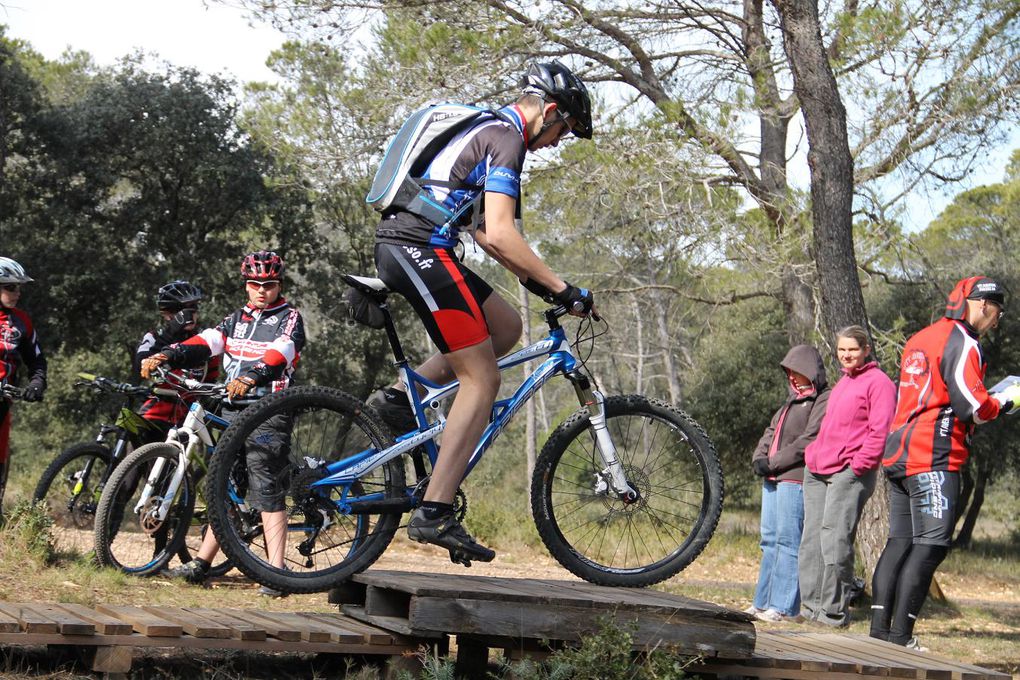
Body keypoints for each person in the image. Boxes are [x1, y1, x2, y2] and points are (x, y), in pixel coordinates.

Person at [369, 61, 595, 564]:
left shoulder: (488, 129)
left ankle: (401, 400)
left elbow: (488, 238)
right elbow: (501, 231)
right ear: (550, 112)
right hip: (417, 247)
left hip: (420, 245)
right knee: (483, 381)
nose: (559, 142)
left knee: (506, 327)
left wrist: (540, 285)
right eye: (565, 130)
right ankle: (434, 511)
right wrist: (564, 289)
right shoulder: (507, 139)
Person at [141, 251, 305, 596]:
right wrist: (167, 354)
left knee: (266, 486)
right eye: (255, 284)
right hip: (232, 408)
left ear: (279, 285)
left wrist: (252, 375)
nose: (262, 290)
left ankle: (277, 572)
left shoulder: (289, 317)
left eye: (269, 284)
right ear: (246, 285)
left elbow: (282, 353)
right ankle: (202, 563)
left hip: (268, 411)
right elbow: (207, 343)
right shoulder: (236, 319)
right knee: (224, 485)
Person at [870, 276, 1020, 648]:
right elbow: (972, 406)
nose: (996, 323)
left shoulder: (920, 337)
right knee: (932, 545)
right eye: (997, 314)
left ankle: (879, 635)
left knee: (900, 542)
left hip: (899, 451)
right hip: (933, 454)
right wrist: (1006, 401)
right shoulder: (964, 341)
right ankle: (901, 636)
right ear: (983, 304)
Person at [799, 325, 896, 627]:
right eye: (842, 350)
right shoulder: (843, 382)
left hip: (848, 473)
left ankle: (833, 612)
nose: (846, 355)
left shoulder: (879, 383)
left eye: (852, 349)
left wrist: (857, 467)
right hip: (817, 468)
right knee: (811, 541)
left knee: (835, 540)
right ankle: (810, 609)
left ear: (866, 349)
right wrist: (812, 452)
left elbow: (880, 433)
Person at [746, 345, 830, 623]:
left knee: (788, 541)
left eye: (798, 372)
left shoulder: (823, 400)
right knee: (769, 540)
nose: (793, 378)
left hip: (794, 477)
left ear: (811, 371)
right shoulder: (790, 401)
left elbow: (809, 439)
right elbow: (771, 431)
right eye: (790, 373)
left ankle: (782, 607)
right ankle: (762, 603)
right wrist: (759, 456)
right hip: (772, 478)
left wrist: (774, 461)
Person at [133, 280, 219, 435]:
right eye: (181, 311)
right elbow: (140, 365)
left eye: (193, 309)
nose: (189, 316)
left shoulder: (206, 341)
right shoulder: (154, 337)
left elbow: (211, 382)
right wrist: (171, 333)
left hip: (188, 419)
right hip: (154, 412)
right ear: (166, 314)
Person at [0, 257, 47, 516]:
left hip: (3, 402)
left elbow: (37, 360)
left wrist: (37, 383)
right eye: (10, 287)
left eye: (18, 288)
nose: (17, 293)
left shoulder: (22, 321)